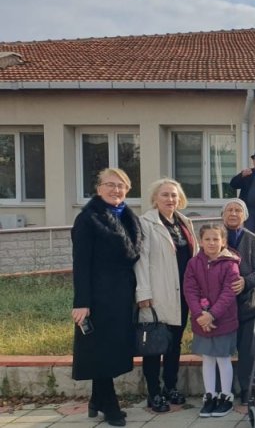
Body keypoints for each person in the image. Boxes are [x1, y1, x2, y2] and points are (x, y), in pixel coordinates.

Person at [72, 168, 142, 427]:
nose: (116, 190)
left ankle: (96, 399)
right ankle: (109, 404)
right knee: (102, 350)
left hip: (122, 295)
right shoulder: (88, 218)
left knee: (112, 347)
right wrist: (81, 302)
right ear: (98, 188)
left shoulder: (127, 216)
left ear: (128, 189)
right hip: (99, 296)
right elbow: (80, 263)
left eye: (121, 185)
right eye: (110, 185)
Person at [135, 178, 198, 413]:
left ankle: (170, 387)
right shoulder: (145, 223)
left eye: (174, 195)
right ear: (155, 198)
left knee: (174, 342)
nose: (170, 199)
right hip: (157, 294)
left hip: (182, 294)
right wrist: (143, 293)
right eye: (165, 195)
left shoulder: (185, 222)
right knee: (154, 344)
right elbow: (141, 261)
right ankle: (154, 393)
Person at [183, 223, 241, 418]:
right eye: (207, 239)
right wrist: (200, 314)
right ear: (200, 241)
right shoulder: (194, 263)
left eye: (216, 239)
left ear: (223, 241)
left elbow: (228, 293)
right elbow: (189, 289)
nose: (211, 243)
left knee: (223, 358)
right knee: (207, 358)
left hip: (223, 320)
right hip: (202, 321)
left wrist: (212, 314)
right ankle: (210, 395)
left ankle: (226, 396)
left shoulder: (230, 264)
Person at [222, 199, 255, 405]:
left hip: (249, 304)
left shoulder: (251, 239)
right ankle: (221, 391)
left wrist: (246, 282)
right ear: (223, 214)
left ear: (245, 215)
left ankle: (246, 389)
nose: (233, 213)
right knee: (221, 350)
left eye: (237, 210)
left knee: (248, 351)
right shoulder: (216, 237)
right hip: (222, 306)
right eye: (229, 210)